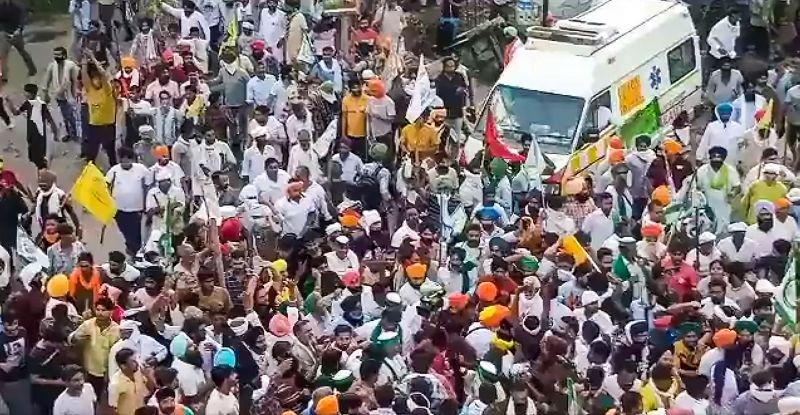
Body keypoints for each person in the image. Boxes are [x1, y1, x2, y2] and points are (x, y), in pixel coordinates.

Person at [81, 49, 118, 165]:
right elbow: (84, 75)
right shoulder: (90, 89)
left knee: (111, 153)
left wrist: (93, 58)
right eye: (93, 79)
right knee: (91, 155)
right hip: (94, 126)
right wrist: (84, 62)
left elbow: (103, 74)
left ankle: (114, 173)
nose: (95, 81)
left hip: (108, 125)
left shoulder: (107, 90)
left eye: (97, 78)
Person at [0, 0, 36, 80]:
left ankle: (32, 69)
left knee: (6, 55)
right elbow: (23, 20)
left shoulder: (16, 7)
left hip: (11, 33)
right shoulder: (17, 6)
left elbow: (22, 19)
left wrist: (19, 29)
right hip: (10, 33)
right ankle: (4, 76)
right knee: (5, 55)